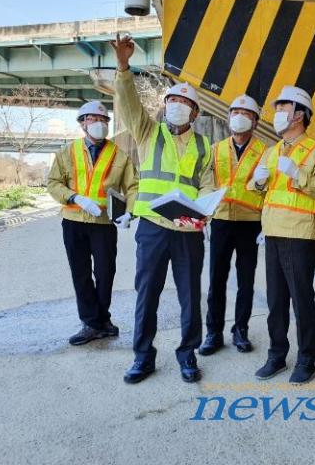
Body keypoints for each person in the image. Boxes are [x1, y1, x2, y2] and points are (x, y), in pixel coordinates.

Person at [110, 34, 215, 384]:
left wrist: (204, 209)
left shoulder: (204, 145)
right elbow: (128, 105)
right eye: (172, 100)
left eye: (184, 102)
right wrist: (123, 67)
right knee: (147, 294)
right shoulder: (148, 132)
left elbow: (207, 183)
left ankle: (188, 355)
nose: (176, 105)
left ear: (195, 112)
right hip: (153, 227)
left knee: (190, 297)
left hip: (187, 229)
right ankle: (143, 357)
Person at [247, 85, 315, 384]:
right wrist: (259, 182)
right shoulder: (272, 151)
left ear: (299, 115)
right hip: (273, 232)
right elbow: (259, 189)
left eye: (283, 108)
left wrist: (298, 174)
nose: (278, 113)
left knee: (301, 301)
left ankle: (307, 360)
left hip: (300, 235)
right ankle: (276, 356)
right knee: (276, 301)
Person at [48, 101, 137, 346]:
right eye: (93, 119)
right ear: (82, 123)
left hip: (104, 223)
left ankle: (102, 319)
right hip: (74, 221)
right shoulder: (67, 152)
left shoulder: (119, 155)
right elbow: (53, 183)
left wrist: (130, 212)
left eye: (104, 119)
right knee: (81, 273)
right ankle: (92, 323)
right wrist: (75, 197)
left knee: (106, 272)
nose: (99, 123)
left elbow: (133, 186)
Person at [199, 94, 265, 356]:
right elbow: (206, 184)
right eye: (235, 112)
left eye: (246, 114)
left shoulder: (265, 153)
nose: (239, 117)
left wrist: (267, 225)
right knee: (217, 279)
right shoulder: (215, 150)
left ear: (255, 121)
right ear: (227, 118)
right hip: (222, 221)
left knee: (246, 281)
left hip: (251, 223)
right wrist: (204, 213)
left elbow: (269, 189)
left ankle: (240, 330)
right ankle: (213, 333)